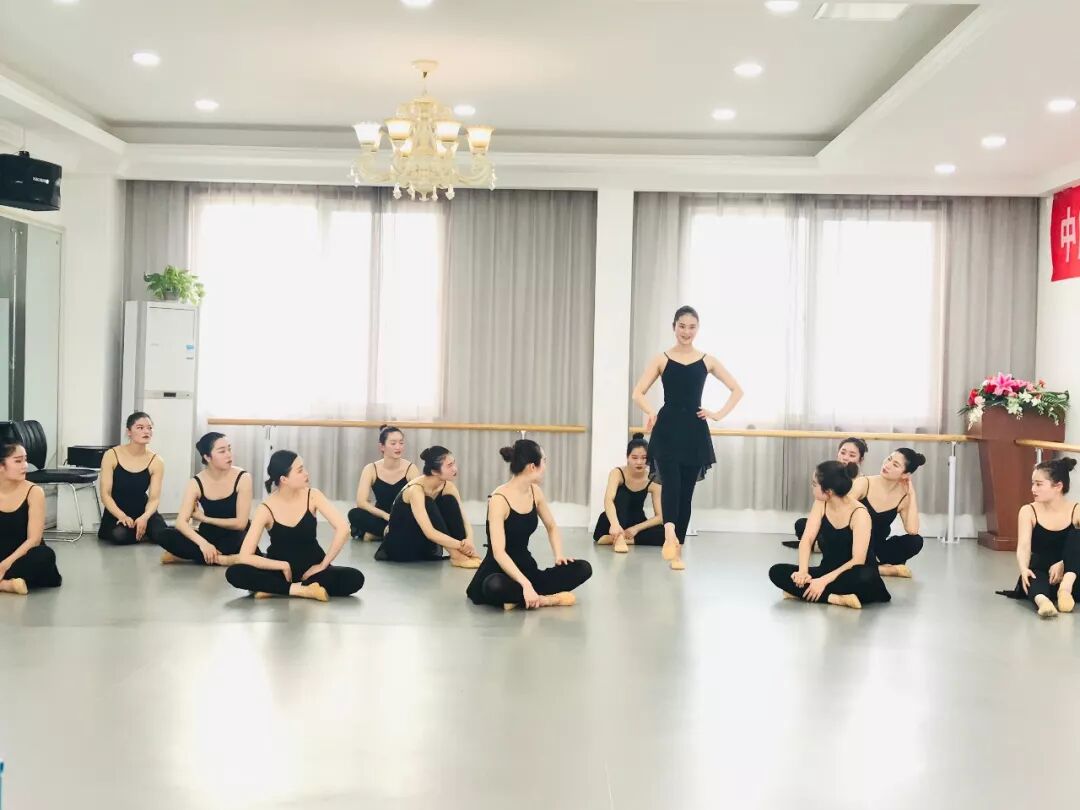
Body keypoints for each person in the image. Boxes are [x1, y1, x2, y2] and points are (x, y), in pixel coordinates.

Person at [631, 305, 743, 570]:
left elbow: (737, 390)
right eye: (682, 326)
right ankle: (669, 533)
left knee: (686, 494)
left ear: (697, 329)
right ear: (674, 327)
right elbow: (638, 393)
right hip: (667, 429)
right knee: (671, 485)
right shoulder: (661, 359)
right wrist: (651, 412)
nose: (686, 331)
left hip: (694, 431)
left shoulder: (707, 360)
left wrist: (717, 414)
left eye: (692, 327)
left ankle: (677, 549)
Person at [467, 440, 593, 609]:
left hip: (527, 568)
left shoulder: (535, 492)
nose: (546, 466)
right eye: (544, 461)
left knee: (583, 568)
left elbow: (551, 526)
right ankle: (546, 600)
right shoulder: (499, 500)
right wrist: (526, 584)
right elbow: (499, 553)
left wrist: (559, 555)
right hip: (499, 570)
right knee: (495, 586)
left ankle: (518, 600)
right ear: (532, 467)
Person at [224, 450, 364, 601]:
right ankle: (302, 590)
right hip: (280, 572)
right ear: (284, 479)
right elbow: (245, 556)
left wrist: (323, 564)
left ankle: (275, 589)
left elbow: (343, 528)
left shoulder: (313, 495)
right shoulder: (266, 508)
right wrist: (282, 565)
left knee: (355, 578)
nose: (306, 473)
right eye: (300, 470)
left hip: (312, 571)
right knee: (235, 573)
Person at [767, 460, 891, 609]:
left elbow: (857, 560)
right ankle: (834, 598)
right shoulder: (821, 503)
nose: (812, 487)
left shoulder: (859, 514)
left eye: (814, 484)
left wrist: (823, 581)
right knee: (776, 571)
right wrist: (803, 572)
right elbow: (807, 539)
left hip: (854, 573)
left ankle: (804, 592)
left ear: (829, 492)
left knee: (864, 577)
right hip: (827, 570)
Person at [997, 458, 1080, 618]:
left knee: (1077, 534)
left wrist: (1064, 563)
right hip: (1042, 572)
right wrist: (1023, 569)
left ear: (1058, 486)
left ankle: (1065, 589)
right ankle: (1043, 602)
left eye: (1039, 484)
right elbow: (1024, 546)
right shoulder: (1028, 511)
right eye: (1033, 484)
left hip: (1073, 574)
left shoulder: (1076, 510)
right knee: (1032, 576)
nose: (1033, 489)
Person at [376, 446, 480, 567]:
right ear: (434, 471)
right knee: (428, 502)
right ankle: (456, 556)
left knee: (449, 500)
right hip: (402, 546)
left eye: (454, 463)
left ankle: (465, 555)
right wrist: (460, 545)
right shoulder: (415, 490)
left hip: (425, 545)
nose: (455, 469)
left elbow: (463, 520)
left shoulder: (449, 487)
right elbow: (429, 532)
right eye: (449, 465)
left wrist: (469, 541)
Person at [157, 432, 252, 566]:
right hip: (209, 535)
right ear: (207, 457)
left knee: (242, 540)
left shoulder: (243, 477)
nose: (229, 455)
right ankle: (224, 558)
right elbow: (181, 522)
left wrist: (205, 519)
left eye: (229, 449)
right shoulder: (196, 482)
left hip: (235, 535)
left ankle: (195, 557)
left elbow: (241, 523)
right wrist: (204, 544)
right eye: (222, 451)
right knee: (164, 535)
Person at [849, 448, 926, 578]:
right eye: (889, 459)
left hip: (876, 547)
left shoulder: (903, 496)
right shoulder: (864, 483)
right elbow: (842, 512)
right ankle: (880, 568)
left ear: (905, 475)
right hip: (853, 542)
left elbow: (912, 530)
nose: (887, 465)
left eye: (895, 465)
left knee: (915, 541)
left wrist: (912, 494)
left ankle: (871, 565)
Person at [783, 437, 868, 549]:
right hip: (829, 522)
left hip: (849, 527)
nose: (845, 458)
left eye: (852, 455)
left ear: (860, 460)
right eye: (842, 453)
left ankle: (820, 545)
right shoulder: (830, 474)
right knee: (801, 524)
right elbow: (820, 505)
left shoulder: (862, 482)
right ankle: (820, 544)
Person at [0, 442, 61, 595]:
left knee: (45, 555)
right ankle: (6, 585)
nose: (25, 466)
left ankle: (7, 580)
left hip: (23, 556)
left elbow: (34, 540)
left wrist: (4, 566)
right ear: (1, 466)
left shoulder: (34, 492)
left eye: (25, 460)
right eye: (18, 461)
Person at [98, 412, 167, 545]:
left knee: (162, 536)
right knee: (120, 535)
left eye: (149, 428)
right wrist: (122, 516)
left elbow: (154, 498)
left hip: (143, 510)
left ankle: (145, 530)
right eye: (140, 428)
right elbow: (105, 494)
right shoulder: (111, 455)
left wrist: (145, 517)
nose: (146, 431)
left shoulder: (156, 460)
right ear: (129, 432)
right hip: (117, 511)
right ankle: (141, 533)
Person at [594, 433, 664, 553]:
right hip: (613, 521)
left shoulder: (653, 479)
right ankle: (617, 536)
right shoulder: (617, 473)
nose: (639, 462)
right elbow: (608, 500)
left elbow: (660, 517)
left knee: (667, 533)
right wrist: (615, 525)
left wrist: (636, 529)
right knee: (623, 496)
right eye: (634, 458)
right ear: (627, 457)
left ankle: (624, 540)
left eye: (644, 458)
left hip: (636, 522)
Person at [348, 425, 419, 541]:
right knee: (354, 514)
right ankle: (389, 532)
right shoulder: (370, 469)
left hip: (403, 516)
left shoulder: (411, 468)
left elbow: (419, 500)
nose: (398, 447)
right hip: (380, 516)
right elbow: (361, 502)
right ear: (382, 446)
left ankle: (378, 534)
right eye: (393, 443)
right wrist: (385, 515)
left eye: (401, 443)